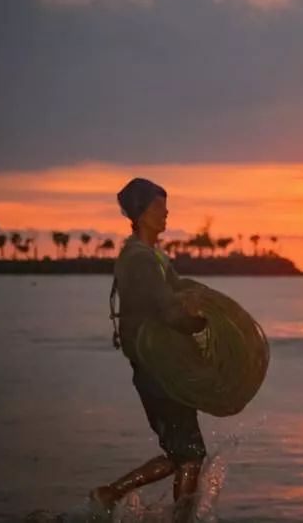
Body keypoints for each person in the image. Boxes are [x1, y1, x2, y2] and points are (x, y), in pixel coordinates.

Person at [89, 178, 211, 522]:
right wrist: (199, 324)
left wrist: (202, 306)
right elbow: (170, 311)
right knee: (189, 455)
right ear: (141, 214)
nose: (166, 212)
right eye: (158, 207)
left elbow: (178, 293)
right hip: (158, 370)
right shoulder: (140, 260)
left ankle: (110, 494)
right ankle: (121, 497)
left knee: (181, 453)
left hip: (162, 368)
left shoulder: (153, 256)